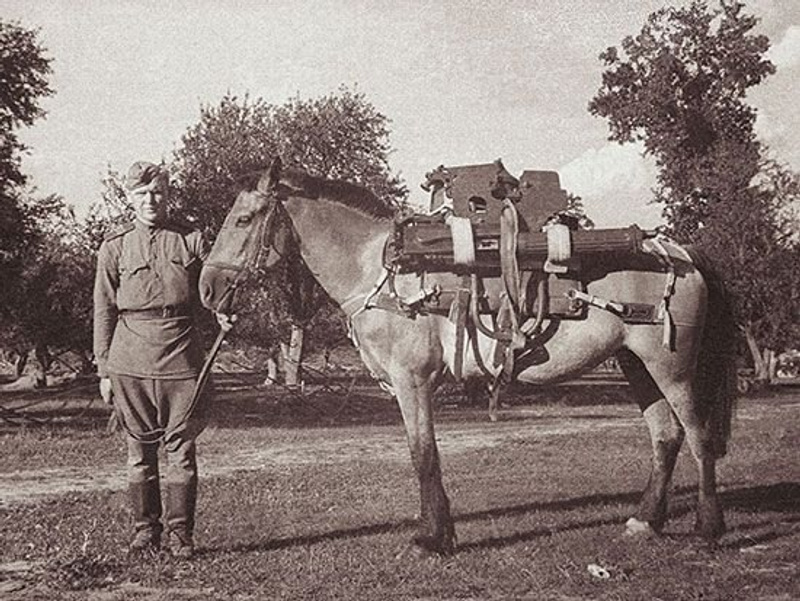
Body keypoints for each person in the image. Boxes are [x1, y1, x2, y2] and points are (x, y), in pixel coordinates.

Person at [93, 161, 234, 558]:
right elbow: (103, 309)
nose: (150, 200)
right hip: (129, 359)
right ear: (130, 197)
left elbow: (217, 284)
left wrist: (224, 310)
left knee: (181, 450)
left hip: (182, 357)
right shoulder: (114, 246)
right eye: (142, 194)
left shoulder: (191, 239)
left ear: (168, 194)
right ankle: (145, 532)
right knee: (139, 451)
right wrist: (104, 370)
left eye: (157, 192)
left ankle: (180, 535)